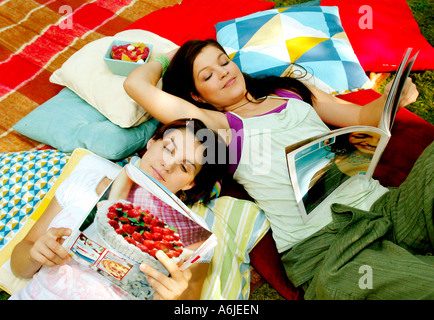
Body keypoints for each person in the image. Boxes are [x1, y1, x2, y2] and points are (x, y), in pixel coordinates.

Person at [123, 39, 433, 299]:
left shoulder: (290, 90)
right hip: (328, 247)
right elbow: (135, 84)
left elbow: (363, 116)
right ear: (197, 96)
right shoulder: (218, 128)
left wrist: (395, 95)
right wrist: (169, 55)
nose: (223, 73)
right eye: (207, 76)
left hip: (385, 206)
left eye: (223, 62)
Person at [10, 118, 228, 300]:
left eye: (183, 167)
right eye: (167, 148)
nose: (168, 164)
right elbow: (18, 266)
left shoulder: (195, 241)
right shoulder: (86, 180)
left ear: (190, 184)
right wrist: (35, 255)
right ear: (151, 142)